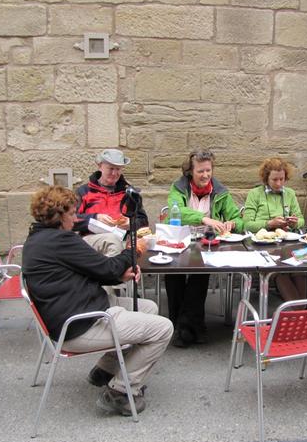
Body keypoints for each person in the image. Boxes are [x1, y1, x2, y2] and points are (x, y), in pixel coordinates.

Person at [22, 186, 173, 416]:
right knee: (164, 329)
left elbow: (93, 271)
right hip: (80, 324)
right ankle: (120, 392)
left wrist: (117, 274)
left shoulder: (39, 239)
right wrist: (134, 250)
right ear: (58, 216)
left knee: (149, 308)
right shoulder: (60, 241)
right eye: (72, 214)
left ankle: (104, 370)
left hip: (80, 308)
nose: (76, 219)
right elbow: (107, 267)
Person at [165, 148, 243, 348]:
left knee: (201, 273)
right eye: (200, 171)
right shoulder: (178, 187)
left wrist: (231, 224)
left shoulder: (220, 191)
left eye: (208, 170)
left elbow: (236, 218)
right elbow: (177, 212)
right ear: (191, 171)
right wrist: (204, 218)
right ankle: (193, 326)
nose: (205, 175)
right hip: (179, 239)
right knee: (172, 273)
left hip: (207, 243)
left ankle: (183, 329)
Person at [243, 157, 306, 301]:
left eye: (282, 179)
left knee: (302, 268)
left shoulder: (289, 193)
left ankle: (300, 312)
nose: (279, 183)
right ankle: (300, 311)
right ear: (266, 179)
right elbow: (246, 224)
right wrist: (269, 224)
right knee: (279, 271)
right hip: (263, 245)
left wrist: (294, 223)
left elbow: (301, 219)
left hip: (289, 242)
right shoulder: (255, 194)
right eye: (274, 180)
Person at [75, 149, 149, 257]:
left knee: (135, 246)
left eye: (118, 169)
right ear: (100, 166)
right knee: (113, 242)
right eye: (110, 168)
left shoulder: (129, 192)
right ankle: (115, 271)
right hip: (91, 241)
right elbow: (71, 221)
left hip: (123, 239)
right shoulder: (84, 191)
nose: (114, 173)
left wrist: (131, 223)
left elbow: (143, 221)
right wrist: (95, 217)